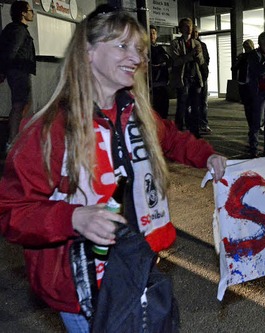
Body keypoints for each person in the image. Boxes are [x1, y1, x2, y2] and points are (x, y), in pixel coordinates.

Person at [0, 6, 227, 331]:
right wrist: (73, 217)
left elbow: (173, 139)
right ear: (89, 52)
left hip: (138, 264)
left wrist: (207, 156)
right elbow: (11, 211)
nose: (135, 57)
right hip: (84, 287)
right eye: (122, 46)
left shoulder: (135, 113)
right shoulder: (51, 130)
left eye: (138, 48)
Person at [0, 1, 36, 152]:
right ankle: (13, 141)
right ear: (23, 13)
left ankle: (14, 138)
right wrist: (3, 71)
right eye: (30, 10)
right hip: (19, 71)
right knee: (19, 104)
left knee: (22, 104)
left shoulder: (13, 29)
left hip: (17, 70)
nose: (32, 13)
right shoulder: (19, 30)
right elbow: (11, 52)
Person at [170, 17, 205, 138]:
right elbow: (176, 61)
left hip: (195, 77)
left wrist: (198, 54)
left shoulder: (197, 43)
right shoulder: (176, 43)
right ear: (181, 29)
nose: (189, 28)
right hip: (183, 78)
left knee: (195, 105)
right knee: (182, 104)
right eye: (186, 26)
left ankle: (194, 130)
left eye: (190, 25)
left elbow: (201, 61)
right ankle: (178, 129)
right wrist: (191, 55)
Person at [231, 39, 255, 130]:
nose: (247, 49)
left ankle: (255, 124)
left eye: (248, 47)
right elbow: (234, 68)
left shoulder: (255, 55)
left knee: (255, 106)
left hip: (253, 84)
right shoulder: (242, 57)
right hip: (243, 83)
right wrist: (239, 60)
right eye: (245, 47)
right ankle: (251, 126)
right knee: (248, 107)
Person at [149, 25, 171, 119]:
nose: (152, 35)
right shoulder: (145, 49)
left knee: (164, 109)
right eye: (149, 33)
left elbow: (169, 61)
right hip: (152, 84)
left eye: (153, 33)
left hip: (163, 83)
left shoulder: (160, 48)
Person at [193, 27, 211, 134]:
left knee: (203, 101)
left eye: (196, 32)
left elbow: (207, 59)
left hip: (203, 76)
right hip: (194, 77)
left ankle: (204, 123)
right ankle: (195, 123)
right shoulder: (190, 45)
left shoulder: (202, 45)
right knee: (195, 102)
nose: (195, 34)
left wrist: (204, 69)